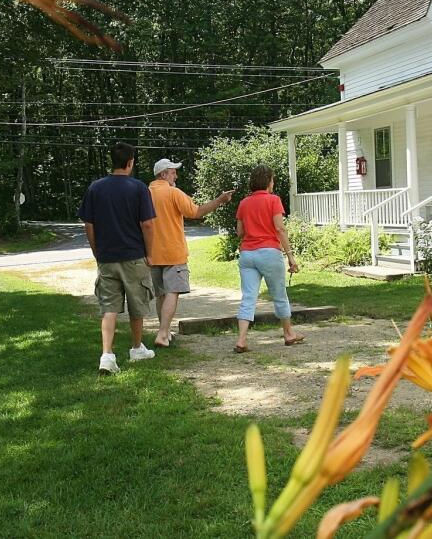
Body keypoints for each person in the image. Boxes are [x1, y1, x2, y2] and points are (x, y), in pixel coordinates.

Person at [78, 142, 157, 375]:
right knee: (137, 303)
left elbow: (88, 224)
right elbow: (148, 224)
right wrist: (150, 253)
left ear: (112, 161)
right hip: (134, 256)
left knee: (109, 307)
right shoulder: (139, 188)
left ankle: (107, 355)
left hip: (107, 258)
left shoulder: (95, 188)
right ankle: (136, 348)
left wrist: (96, 251)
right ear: (130, 162)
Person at [148, 158, 234, 348]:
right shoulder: (173, 193)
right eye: (173, 172)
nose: (176, 175)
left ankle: (164, 331)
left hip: (151, 253)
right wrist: (220, 200)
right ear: (164, 174)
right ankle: (162, 334)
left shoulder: (145, 193)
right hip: (173, 252)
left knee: (161, 294)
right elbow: (196, 212)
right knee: (173, 291)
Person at [233, 165, 302, 353]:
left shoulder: (243, 203)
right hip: (269, 253)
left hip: (247, 254)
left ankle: (241, 339)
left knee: (248, 297)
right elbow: (280, 229)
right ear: (268, 181)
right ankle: (288, 334)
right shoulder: (274, 200)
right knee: (279, 295)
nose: (273, 183)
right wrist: (290, 256)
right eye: (272, 179)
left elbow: (240, 232)